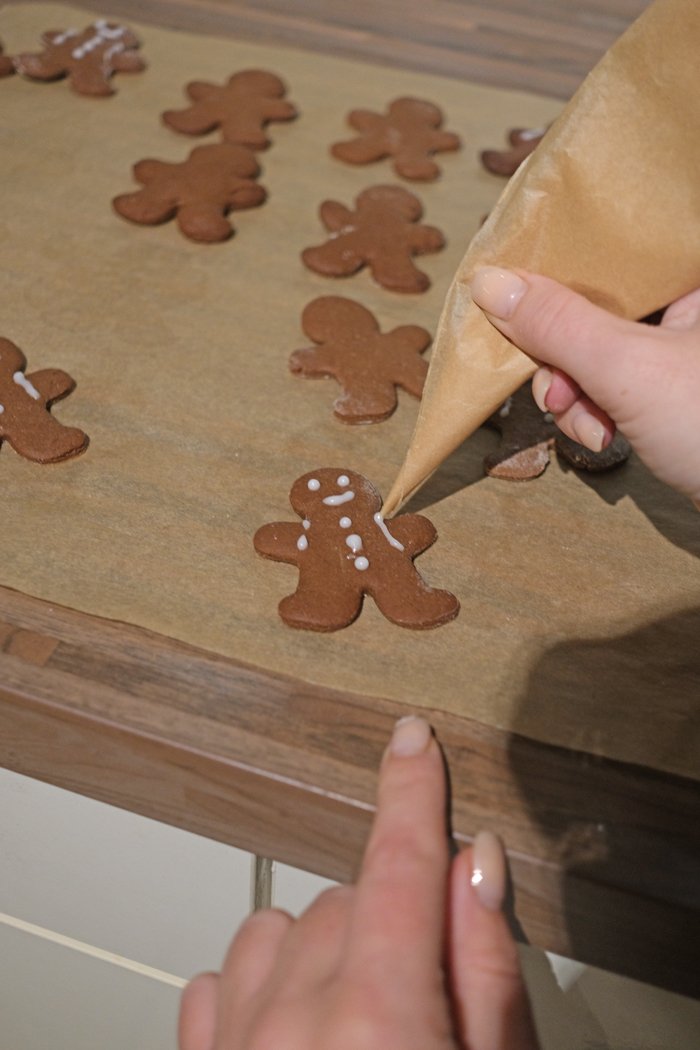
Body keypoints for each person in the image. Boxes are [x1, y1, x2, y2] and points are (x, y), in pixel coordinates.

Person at [178, 273, 700, 1050]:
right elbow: (319, 537)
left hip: (386, 567)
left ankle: (410, 601)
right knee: (376, 588)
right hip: (371, 564)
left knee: (400, 589)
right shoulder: (340, 518)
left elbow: (404, 533)